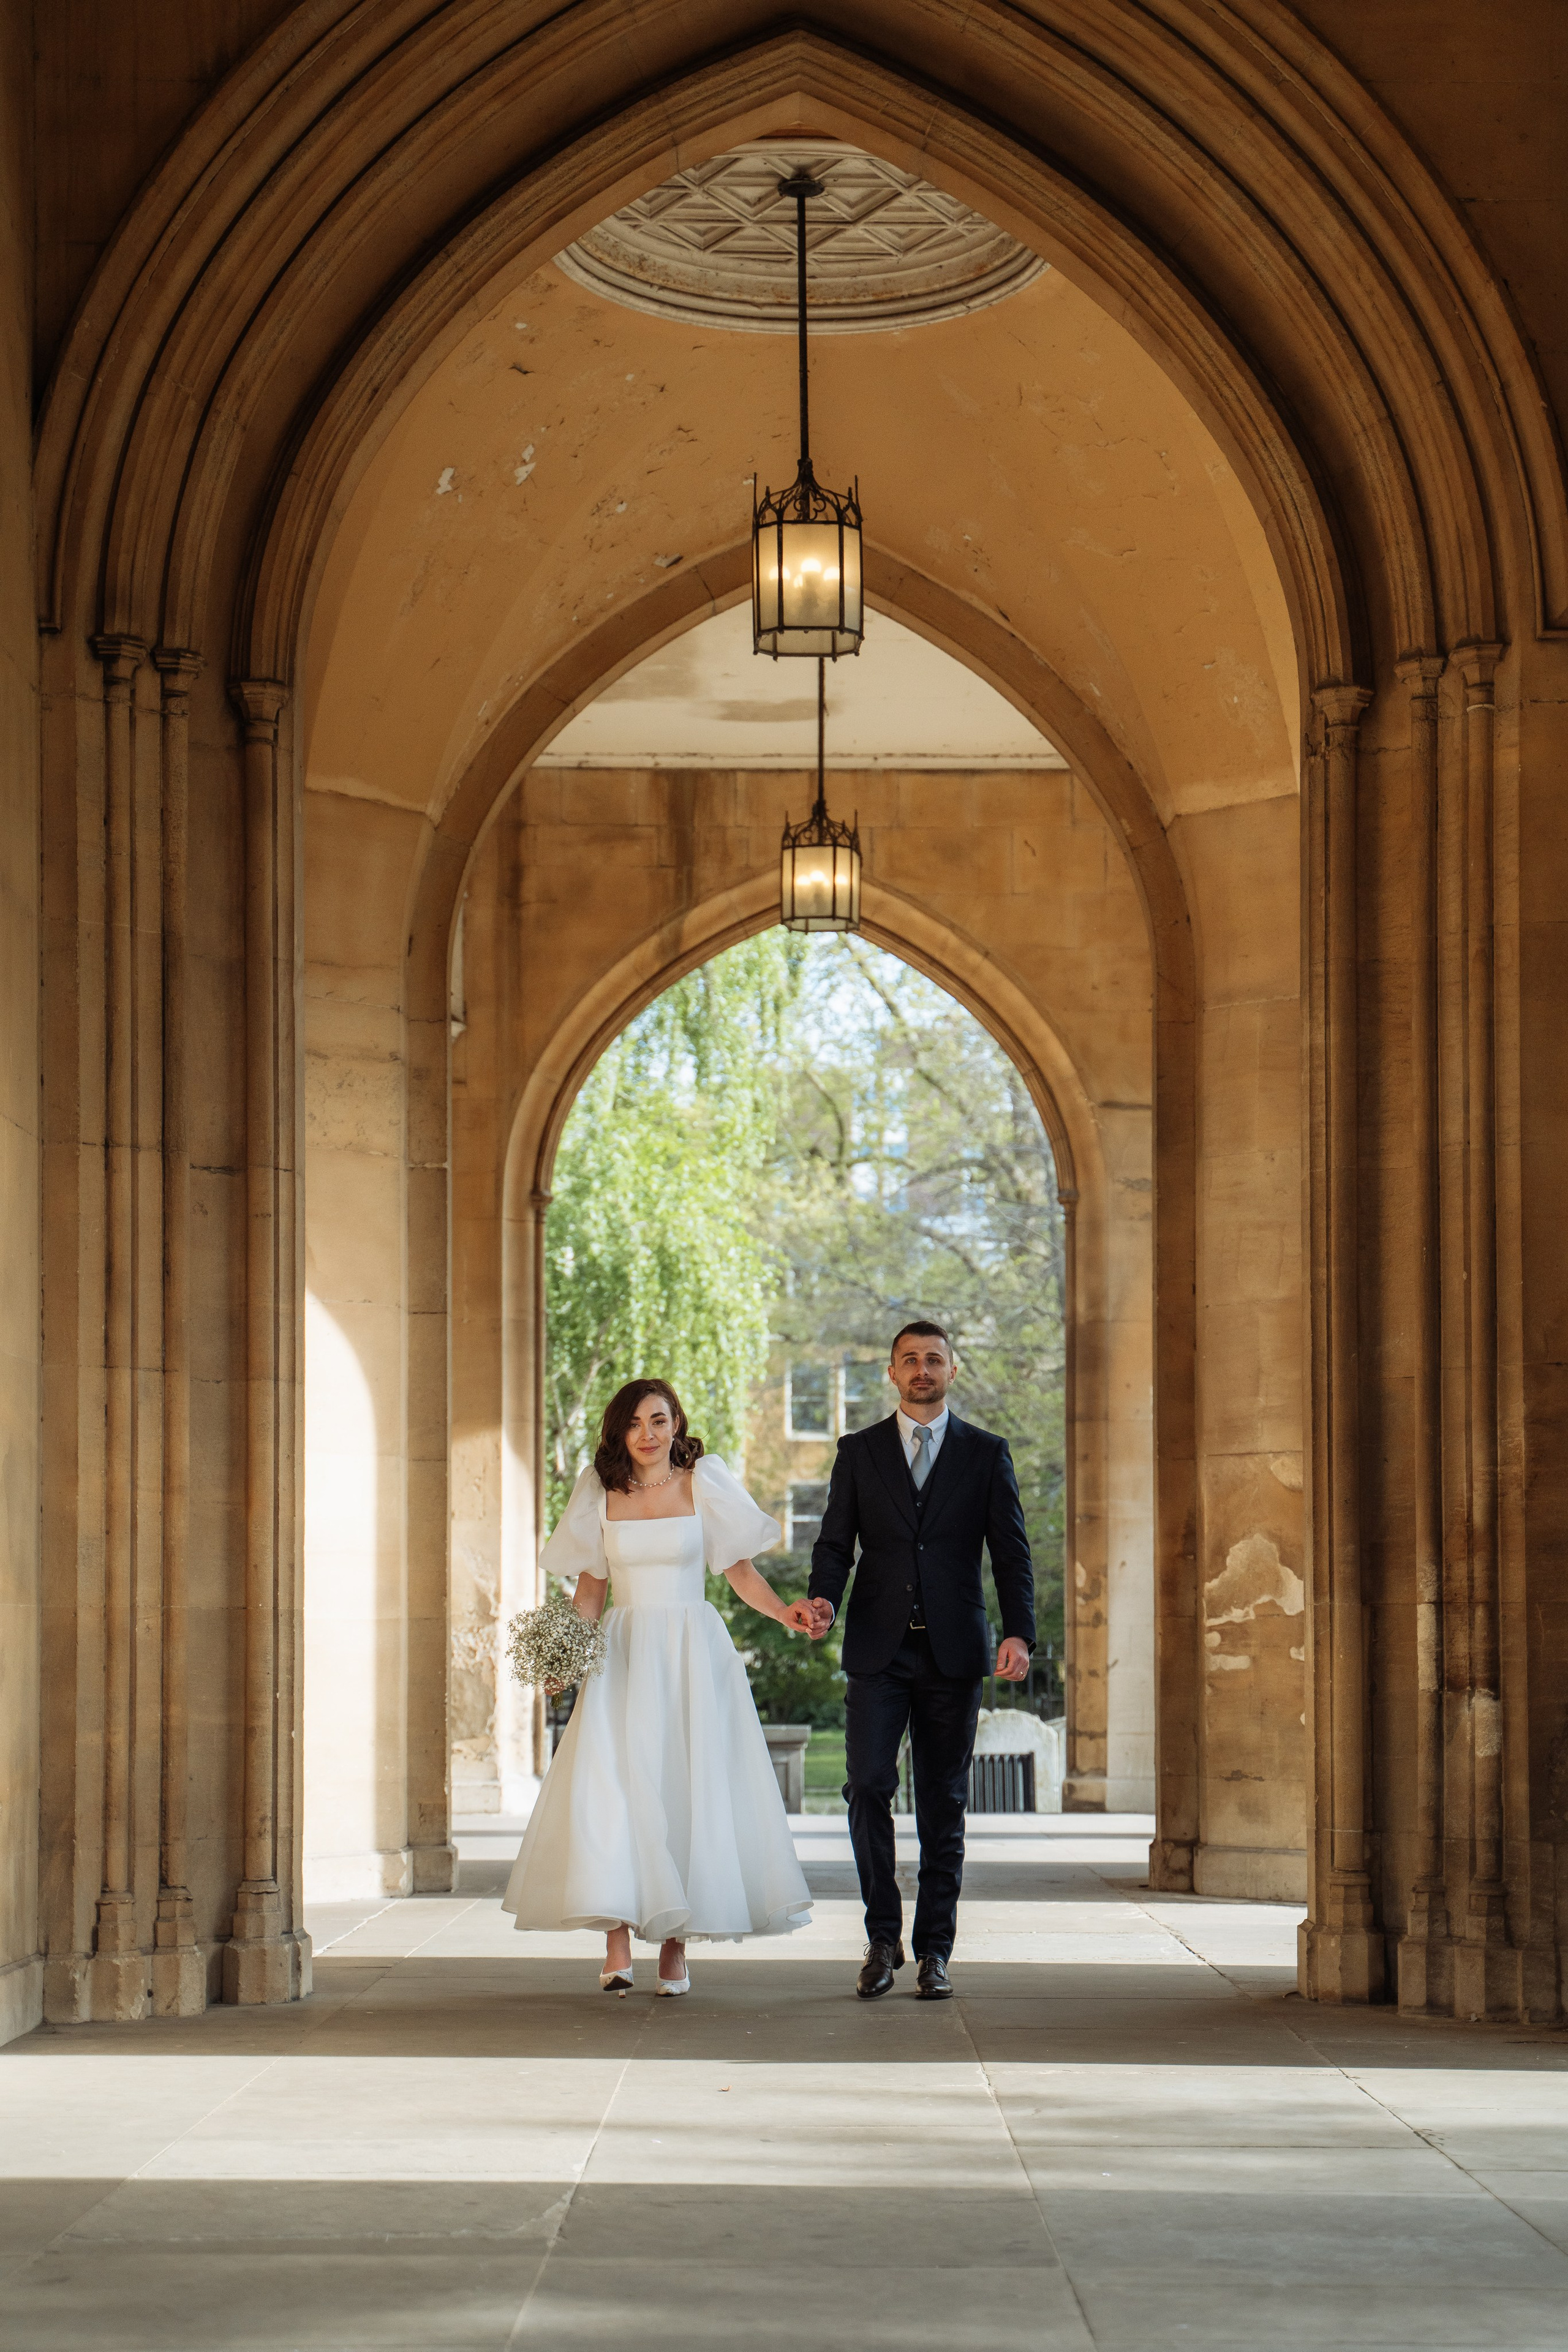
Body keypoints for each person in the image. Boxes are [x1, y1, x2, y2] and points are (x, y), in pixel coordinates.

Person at [502, 1378, 817, 1993]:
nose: (648, 1434)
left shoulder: (705, 1483)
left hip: (690, 1652)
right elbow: (591, 1591)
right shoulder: (600, 1489)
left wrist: (784, 1612)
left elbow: (737, 1572)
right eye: (635, 1423)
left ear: (677, 1424)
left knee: (682, 1782)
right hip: (621, 1654)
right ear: (619, 1430)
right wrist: (563, 1658)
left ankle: (675, 1945)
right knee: (613, 1785)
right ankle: (616, 1938)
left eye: (659, 1420)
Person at [804, 1321, 1035, 2000]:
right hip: (879, 1649)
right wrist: (822, 1599)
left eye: (934, 1359)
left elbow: (1012, 1554)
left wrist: (1018, 1633)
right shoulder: (858, 1451)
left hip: (953, 1652)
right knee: (869, 1785)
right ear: (892, 1372)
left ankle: (936, 1951)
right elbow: (833, 1543)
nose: (922, 1369)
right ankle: (883, 1939)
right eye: (910, 1360)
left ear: (952, 1371)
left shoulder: (986, 1454)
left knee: (944, 1803)